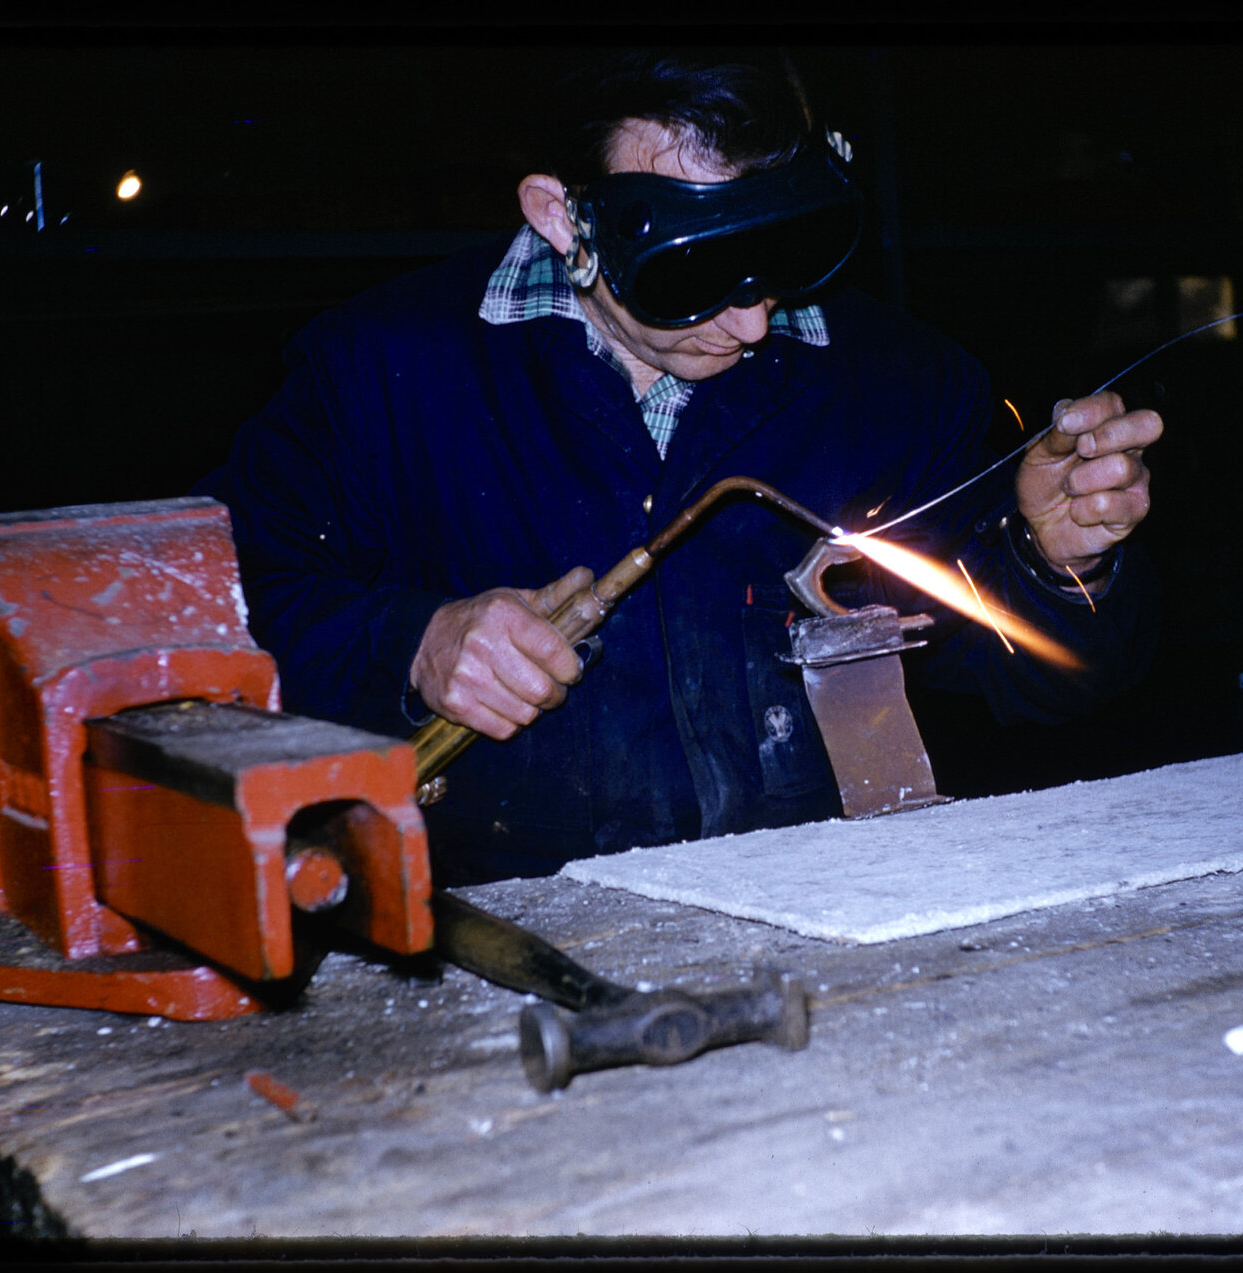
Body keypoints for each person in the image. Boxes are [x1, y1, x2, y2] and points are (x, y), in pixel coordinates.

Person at [198, 50, 1162, 886]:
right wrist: (414, 640)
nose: (752, 323)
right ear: (563, 217)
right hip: (503, 931)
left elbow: (1044, 681)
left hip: (837, 910)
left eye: (776, 249)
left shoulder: (900, 382)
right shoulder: (382, 373)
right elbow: (214, 639)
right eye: (699, 267)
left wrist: (1053, 558)